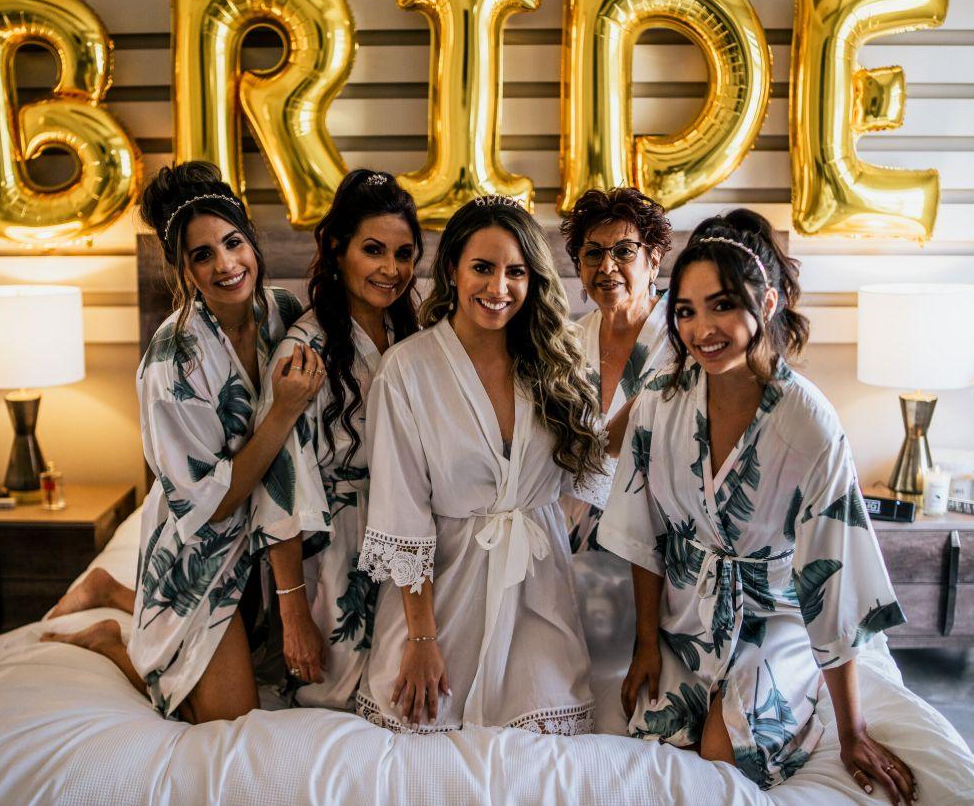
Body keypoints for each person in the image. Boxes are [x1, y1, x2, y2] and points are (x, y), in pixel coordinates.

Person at [599, 209, 916, 800]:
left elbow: (834, 579)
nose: (702, 329)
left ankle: (803, 703)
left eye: (722, 305)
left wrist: (853, 731)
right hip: (685, 611)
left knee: (726, 749)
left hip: (775, 614)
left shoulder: (809, 424)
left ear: (766, 303)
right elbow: (643, 533)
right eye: (686, 311)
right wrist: (645, 644)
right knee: (664, 737)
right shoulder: (660, 400)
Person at [41, 162, 324, 723]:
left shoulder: (285, 313)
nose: (226, 264)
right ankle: (113, 639)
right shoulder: (171, 363)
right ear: (185, 270)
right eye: (202, 255)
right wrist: (283, 411)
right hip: (204, 545)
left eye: (233, 243)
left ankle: (116, 592)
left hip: (275, 535)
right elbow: (211, 504)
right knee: (225, 719)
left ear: (251, 242)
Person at [354, 195, 604, 734]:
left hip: (539, 599)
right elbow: (402, 513)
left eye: (516, 272)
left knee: (545, 753)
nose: (499, 287)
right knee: (423, 745)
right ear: (452, 270)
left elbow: (590, 465)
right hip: (440, 604)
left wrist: (548, 524)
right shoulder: (407, 371)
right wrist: (422, 640)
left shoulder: (556, 362)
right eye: (483, 268)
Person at [252, 170, 424, 709]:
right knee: (332, 699)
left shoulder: (412, 336)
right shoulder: (303, 352)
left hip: (405, 534)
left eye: (404, 254)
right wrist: (294, 613)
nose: (391, 269)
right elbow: (281, 486)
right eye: (373, 250)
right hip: (331, 546)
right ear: (335, 247)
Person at [559, 188, 673, 552]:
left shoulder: (685, 341)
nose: (607, 267)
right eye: (593, 253)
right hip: (576, 541)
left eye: (624, 251)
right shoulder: (567, 345)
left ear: (653, 259)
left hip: (662, 538)